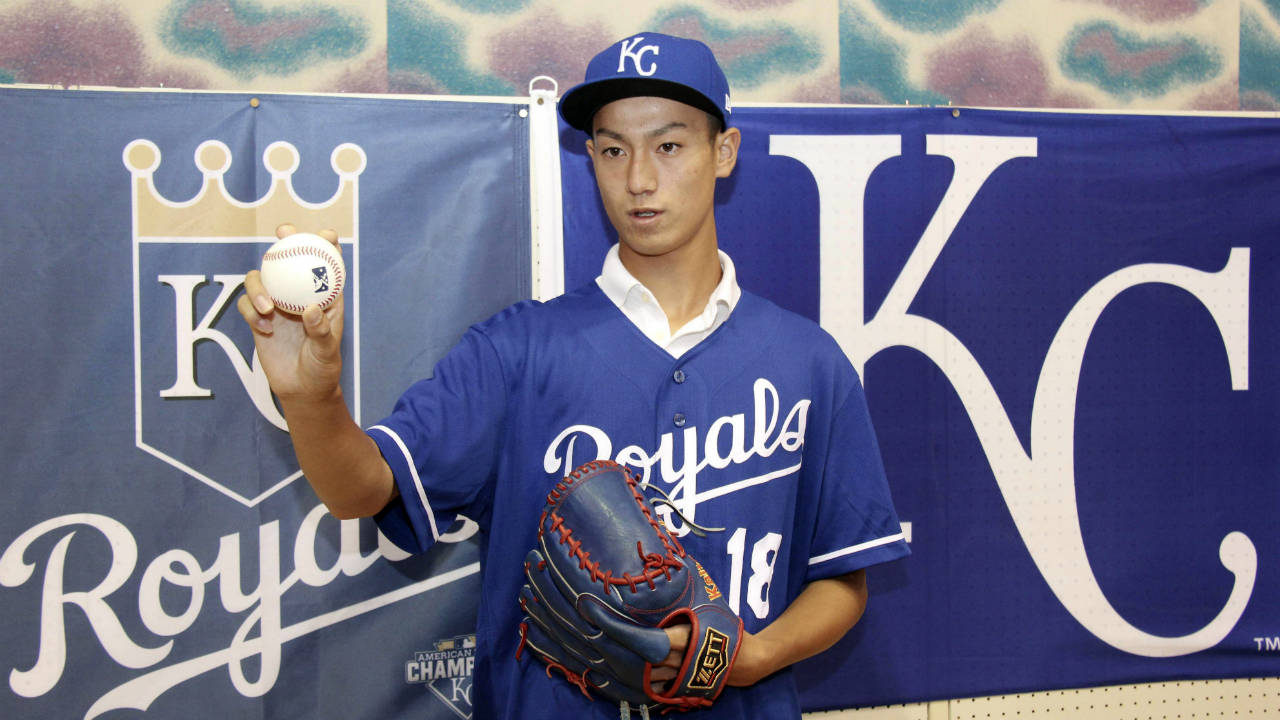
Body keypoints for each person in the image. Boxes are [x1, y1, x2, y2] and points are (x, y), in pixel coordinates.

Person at [238, 32, 909, 719]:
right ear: (590, 157)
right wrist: (312, 397)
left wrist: (756, 657)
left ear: (724, 153)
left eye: (669, 146)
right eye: (614, 149)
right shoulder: (516, 351)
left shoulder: (809, 361)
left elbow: (843, 580)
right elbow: (365, 489)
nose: (639, 178)